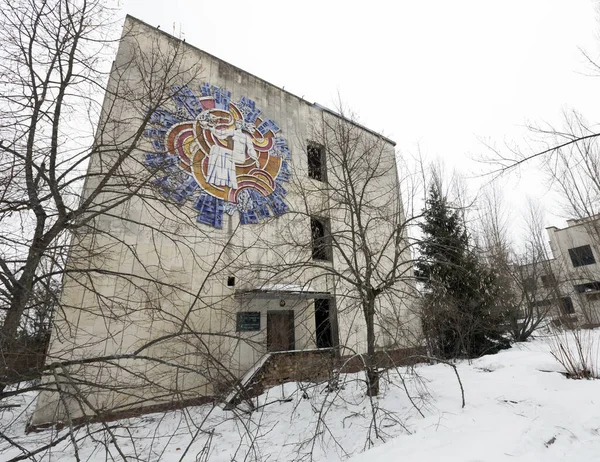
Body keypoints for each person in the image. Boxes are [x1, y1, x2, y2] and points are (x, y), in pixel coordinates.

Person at [199, 112, 259, 190]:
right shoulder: (232, 132)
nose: (237, 124)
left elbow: (251, 149)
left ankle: (224, 180)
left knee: (222, 152)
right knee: (215, 149)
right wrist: (210, 128)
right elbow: (220, 134)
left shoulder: (246, 137)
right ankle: (216, 179)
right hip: (232, 154)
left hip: (240, 157)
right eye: (236, 123)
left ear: (242, 125)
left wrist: (256, 159)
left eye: (239, 123)